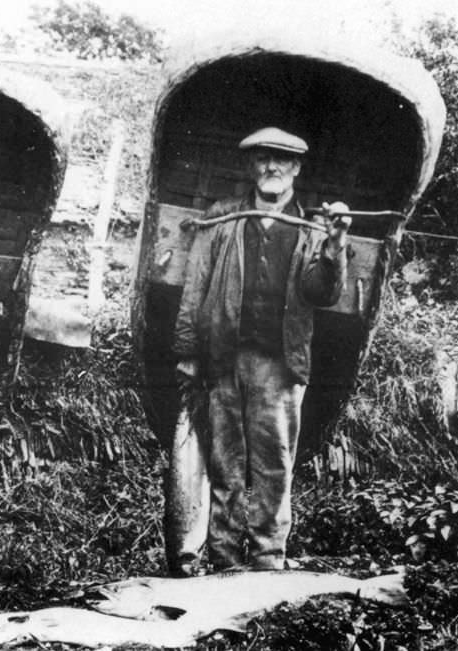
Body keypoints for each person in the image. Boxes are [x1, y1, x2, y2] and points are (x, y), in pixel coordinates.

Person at [171, 127, 351, 573]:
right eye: (262, 159)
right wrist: (188, 349)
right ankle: (225, 559)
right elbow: (196, 285)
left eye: (282, 160)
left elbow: (320, 292)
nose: (271, 167)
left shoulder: (312, 227)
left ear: (297, 168)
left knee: (274, 468)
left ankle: (268, 561)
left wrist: (335, 245)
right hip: (224, 360)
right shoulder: (224, 218)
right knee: (224, 464)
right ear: (251, 167)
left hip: (280, 365)